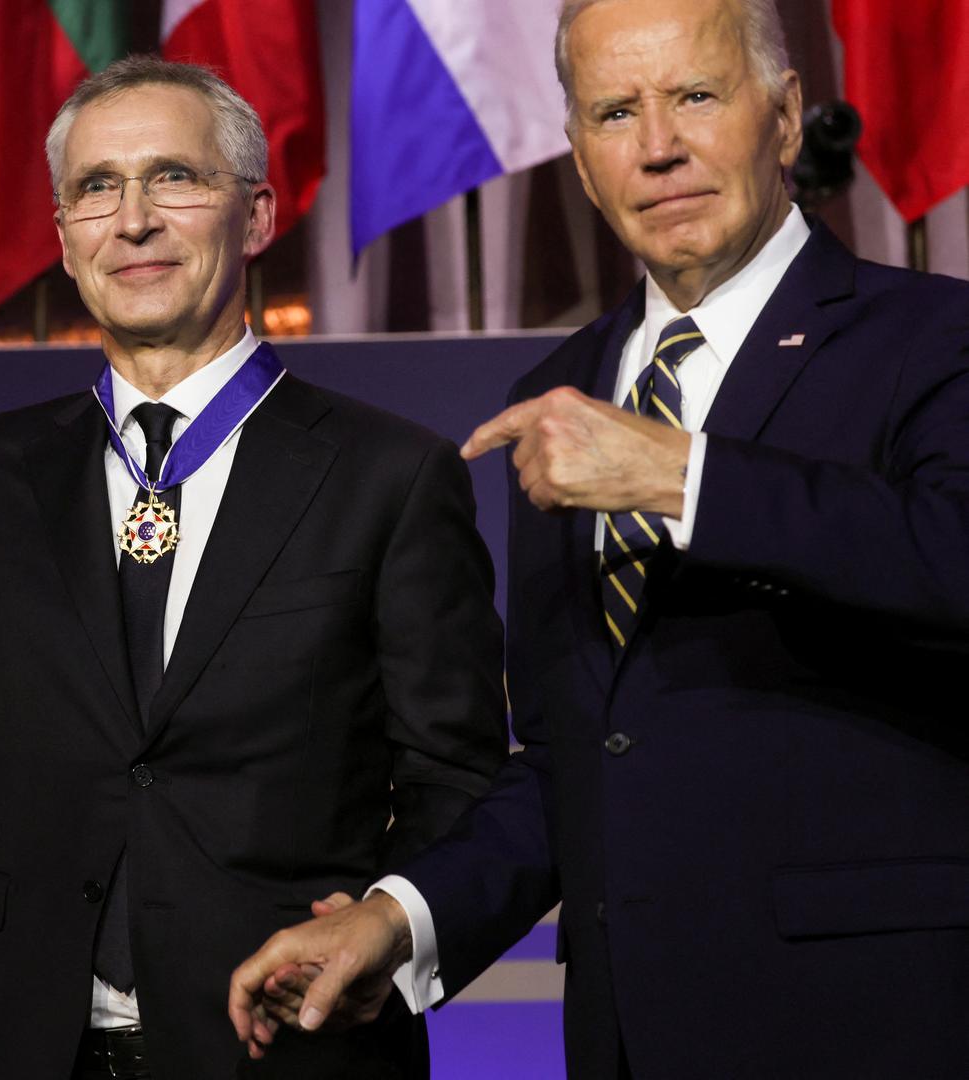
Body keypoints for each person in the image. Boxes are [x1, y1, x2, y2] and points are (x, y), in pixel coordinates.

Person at [0, 57, 507, 1079]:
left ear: (255, 216)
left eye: (174, 178)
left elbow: (456, 777)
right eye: (96, 188)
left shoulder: (389, 474)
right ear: (65, 238)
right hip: (12, 1044)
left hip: (283, 1052)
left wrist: (386, 922)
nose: (134, 219)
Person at [228, 1, 969, 1076]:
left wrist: (679, 474)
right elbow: (581, 749)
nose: (659, 145)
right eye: (616, 112)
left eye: (696, 96)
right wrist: (399, 919)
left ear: (786, 115)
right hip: (629, 1028)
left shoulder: (933, 336)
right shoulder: (559, 393)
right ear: (579, 159)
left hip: (881, 1018)